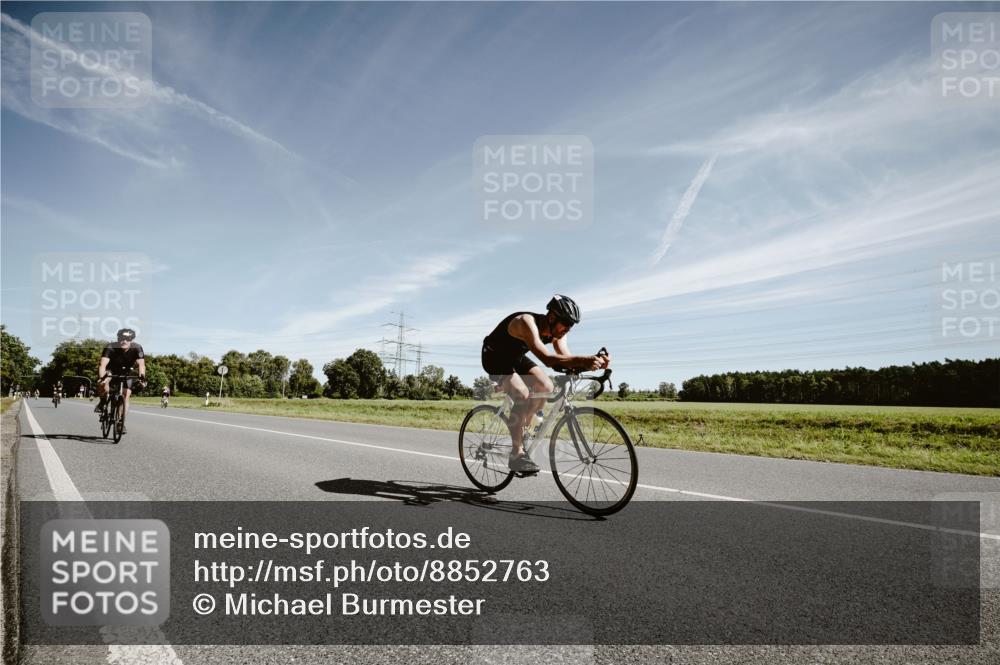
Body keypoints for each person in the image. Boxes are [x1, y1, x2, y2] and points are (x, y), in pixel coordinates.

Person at [481, 295, 609, 473]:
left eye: (571, 326)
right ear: (551, 317)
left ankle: (523, 427)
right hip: (495, 356)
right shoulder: (526, 322)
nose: (568, 329)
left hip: (515, 357)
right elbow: (548, 359)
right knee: (522, 395)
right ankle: (516, 454)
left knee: (546, 386)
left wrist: (592, 364)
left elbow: (565, 359)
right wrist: (584, 360)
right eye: (566, 323)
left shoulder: (557, 333)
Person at [94, 328, 147, 432]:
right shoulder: (110, 347)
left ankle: (120, 422)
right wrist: (101, 378)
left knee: (126, 394)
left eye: (128, 339)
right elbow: (102, 365)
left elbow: (141, 365)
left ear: (131, 340)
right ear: (118, 338)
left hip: (127, 372)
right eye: (122, 338)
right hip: (111, 370)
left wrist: (142, 378)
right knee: (103, 383)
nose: (124, 341)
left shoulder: (137, 348)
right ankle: (102, 401)